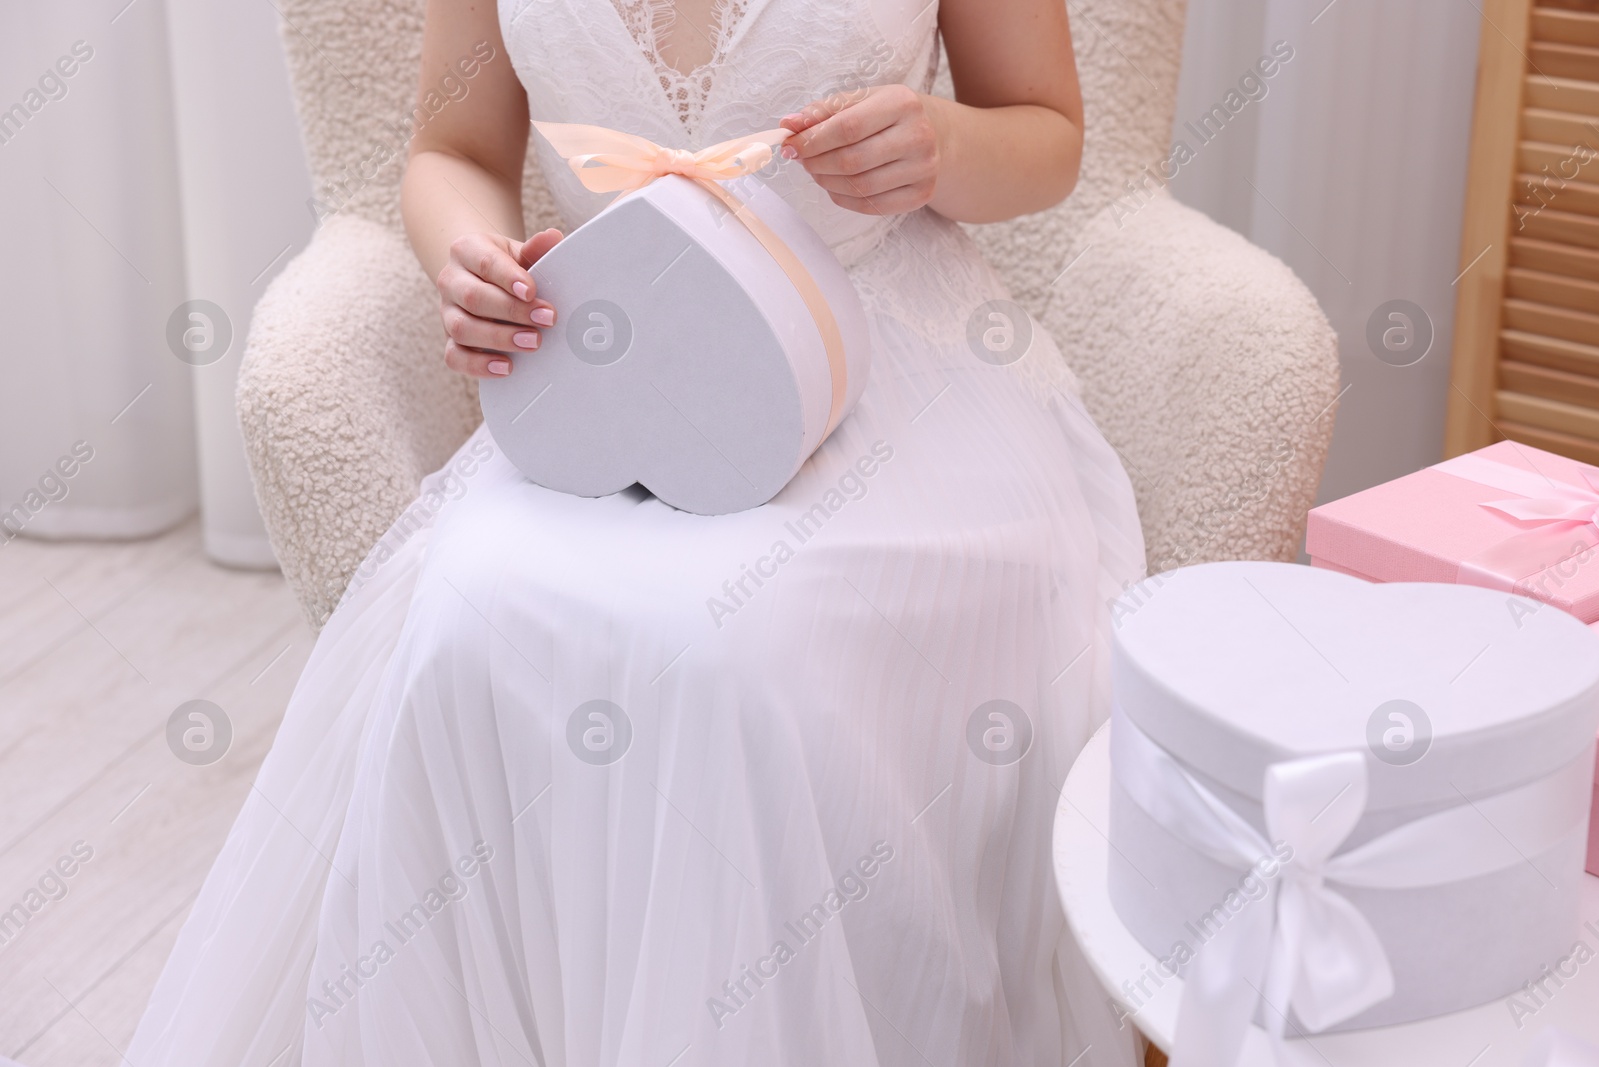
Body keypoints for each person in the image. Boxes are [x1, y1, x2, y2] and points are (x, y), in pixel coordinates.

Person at [127, 0, 1145, 1063]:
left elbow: (1047, 133)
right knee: (467, 622)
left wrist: (942, 147)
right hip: (609, 360)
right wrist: (470, 256)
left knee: (736, 652)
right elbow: (454, 148)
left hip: (889, 373)